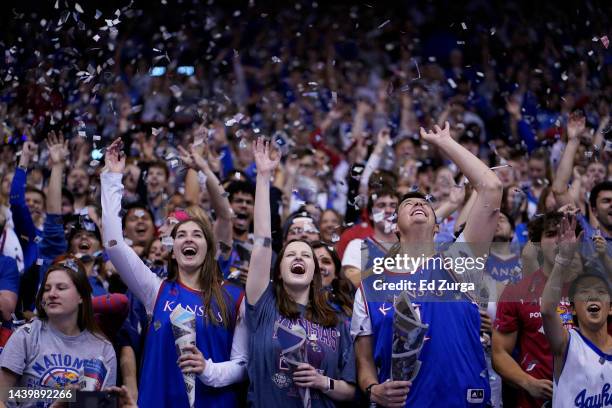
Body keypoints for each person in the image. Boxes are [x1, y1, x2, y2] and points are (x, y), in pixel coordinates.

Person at [353, 122, 503, 407]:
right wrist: (372, 389)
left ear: (437, 228)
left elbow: (491, 187)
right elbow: (363, 358)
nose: (418, 204)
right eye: (407, 204)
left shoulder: (458, 265)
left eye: (425, 204)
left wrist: (445, 143)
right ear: (396, 227)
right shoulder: (369, 286)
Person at [101, 138, 247, 408]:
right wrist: (112, 178)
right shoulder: (155, 290)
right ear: (173, 248)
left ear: (209, 247)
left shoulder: (234, 296)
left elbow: (244, 365)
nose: (189, 240)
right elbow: (113, 243)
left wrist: (208, 369)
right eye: (181, 235)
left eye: (197, 235)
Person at [246, 138, 356, 406]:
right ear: (279, 271)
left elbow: (351, 391)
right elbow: (262, 241)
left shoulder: (337, 318)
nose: (299, 257)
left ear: (315, 272)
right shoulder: (264, 305)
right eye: (291, 254)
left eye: (306, 255)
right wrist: (264, 177)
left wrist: (323, 382)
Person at [492, 212, 580, 408]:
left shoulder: (595, 288)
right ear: (538, 244)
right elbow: (499, 353)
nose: (559, 240)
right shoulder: (517, 291)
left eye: (565, 233)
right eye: (550, 234)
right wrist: (527, 382)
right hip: (536, 403)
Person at [0, 257, 117, 403]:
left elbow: (100, 405)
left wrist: (70, 398)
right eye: (47, 289)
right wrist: (61, 398)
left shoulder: (103, 348)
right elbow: (2, 396)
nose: (52, 294)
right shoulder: (26, 335)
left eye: (61, 288)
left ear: (81, 296)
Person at [541, 214, 612, 408]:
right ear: (572, 308)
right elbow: (547, 310)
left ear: (611, 307)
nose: (592, 297)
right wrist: (563, 259)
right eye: (584, 293)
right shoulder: (566, 345)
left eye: (600, 292)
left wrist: (605, 257)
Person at [311, 241, 354, 318]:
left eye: (326, 262)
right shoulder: (291, 304)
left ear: (336, 274)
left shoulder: (351, 310)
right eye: (313, 261)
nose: (319, 266)